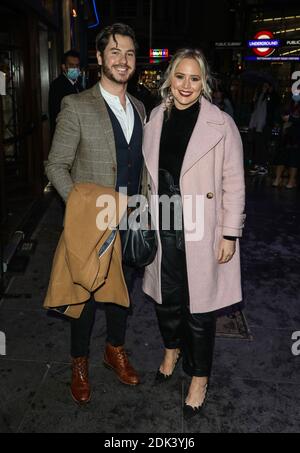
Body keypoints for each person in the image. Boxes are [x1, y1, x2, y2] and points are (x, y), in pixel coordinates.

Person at [142, 48, 245, 419]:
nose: (186, 85)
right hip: (163, 219)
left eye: (195, 78)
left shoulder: (221, 124)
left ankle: (199, 377)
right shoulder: (155, 117)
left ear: (205, 83)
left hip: (202, 224)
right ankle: (171, 349)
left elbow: (234, 182)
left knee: (199, 307)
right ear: (170, 78)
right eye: (180, 77)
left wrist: (230, 233)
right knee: (166, 296)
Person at [45, 23, 146, 404]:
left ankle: (114, 350)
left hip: (132, 219)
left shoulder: (139, 106)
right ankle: (80, 361)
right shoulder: (77, 105)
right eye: (115, 52)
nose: (123, 60)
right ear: (100, 58)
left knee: (122, 295)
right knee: (83, 296)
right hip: (93, 222)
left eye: (130, 54)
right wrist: (82, 208)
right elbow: (55, 165)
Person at [49, 50, 83, 137]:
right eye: (71, 65)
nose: (75, 69)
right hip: (65, 134)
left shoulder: (78, 85)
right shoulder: (57, 85)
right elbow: (58, 113)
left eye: (77, 66)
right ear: (64, 67)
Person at [248, 81, 280, 176]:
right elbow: (254, 109)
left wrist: (269, 93)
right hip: (256, 124)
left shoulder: (272, 97)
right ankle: (257, 164)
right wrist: (254, 100)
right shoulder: (259, 96)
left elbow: (273, 108)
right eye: (263, 85)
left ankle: (263, 165)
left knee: (264, 145)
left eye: (266, 85)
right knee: (257, 144)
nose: (264, 87)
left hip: (266, 124)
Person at [272, 94, 300, 189]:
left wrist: (290, 119)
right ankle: (278, 179)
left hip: (296, 135)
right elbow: (280, 114)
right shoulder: (289, 104)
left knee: (293, 158)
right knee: (282, 156)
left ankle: (291, 181)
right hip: (285, 135)